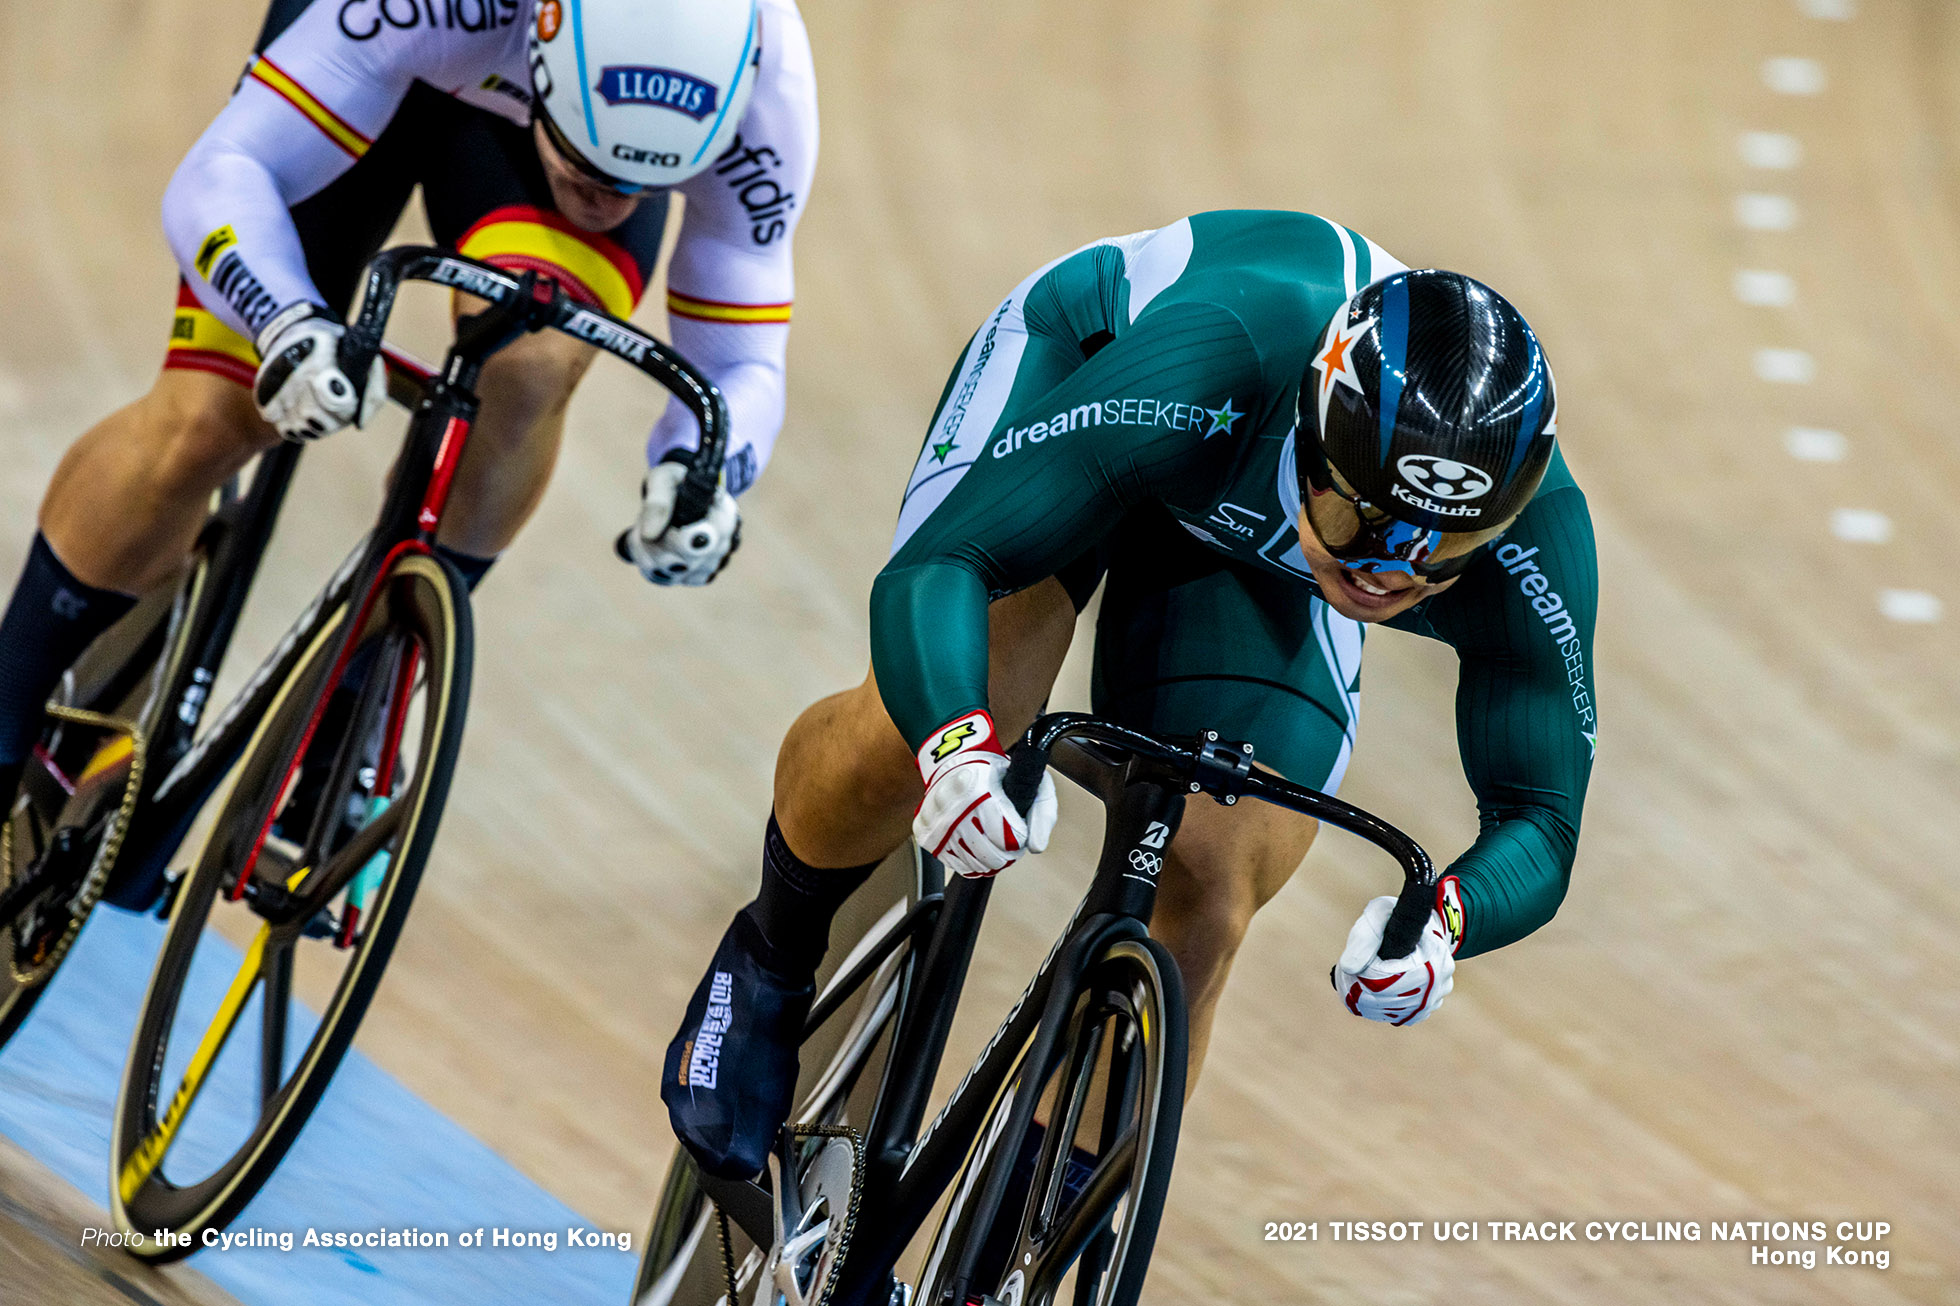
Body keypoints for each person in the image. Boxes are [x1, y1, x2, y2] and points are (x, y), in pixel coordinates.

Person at [662, 211, 1598, 1181]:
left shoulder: (1533, 540)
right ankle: (768, 959)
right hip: (1101, 384)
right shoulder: (1219, 361)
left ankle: (1041, 1209)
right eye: (1354, 520)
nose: (1382, 577)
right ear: (1312, 443)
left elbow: (1539, 817)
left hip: (1246, 523)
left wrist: (1444, 922)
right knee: (940, 720)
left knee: (1216, 869)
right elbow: (942, 566)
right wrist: (955, 748)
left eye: (1437, 555)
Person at [0, 0, 818, 821]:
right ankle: (6, 713)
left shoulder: (769, 87)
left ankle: (364, 694)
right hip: (384, 52)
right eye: (590, 166)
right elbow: (226, 169)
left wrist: (700, 470)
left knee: (529, 371)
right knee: (213, 415)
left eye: (643, 185)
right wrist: (285, 320)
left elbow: (744, 359)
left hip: (523, 142)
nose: (609, 201)